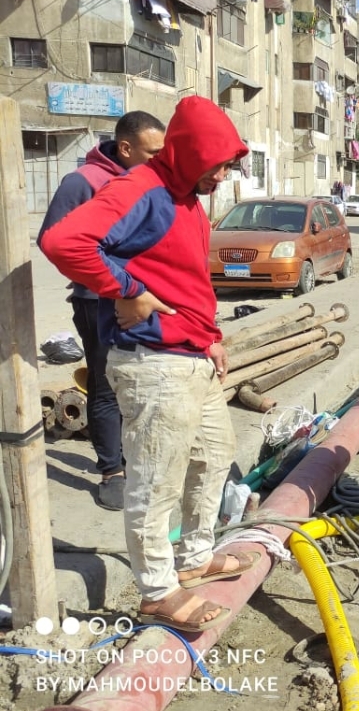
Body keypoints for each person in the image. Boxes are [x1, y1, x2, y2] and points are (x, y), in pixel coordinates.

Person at [39, 96, 260, 633]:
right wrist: (125, 290)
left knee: (213, 455)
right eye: (218, 164)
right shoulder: (142, 189)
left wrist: (211, 336)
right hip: (153, 362)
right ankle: (157, 591)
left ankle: (194, 558)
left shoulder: (188, 199)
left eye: (229, 165)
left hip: (192, 354)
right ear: (187, 153)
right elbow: (63, 240)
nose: (224, 175)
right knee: (156, 480)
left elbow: (187, 280)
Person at [37, 111, 166, 510]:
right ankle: (112, 470)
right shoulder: (83, 183)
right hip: (99, 304)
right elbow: (52, 242)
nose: (159, 159)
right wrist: (114, 283)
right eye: (152, 152)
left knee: (141, 381)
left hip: (146, 299)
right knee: (105, 384)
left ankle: (135, 458)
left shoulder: (147, 181)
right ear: (125, 147)